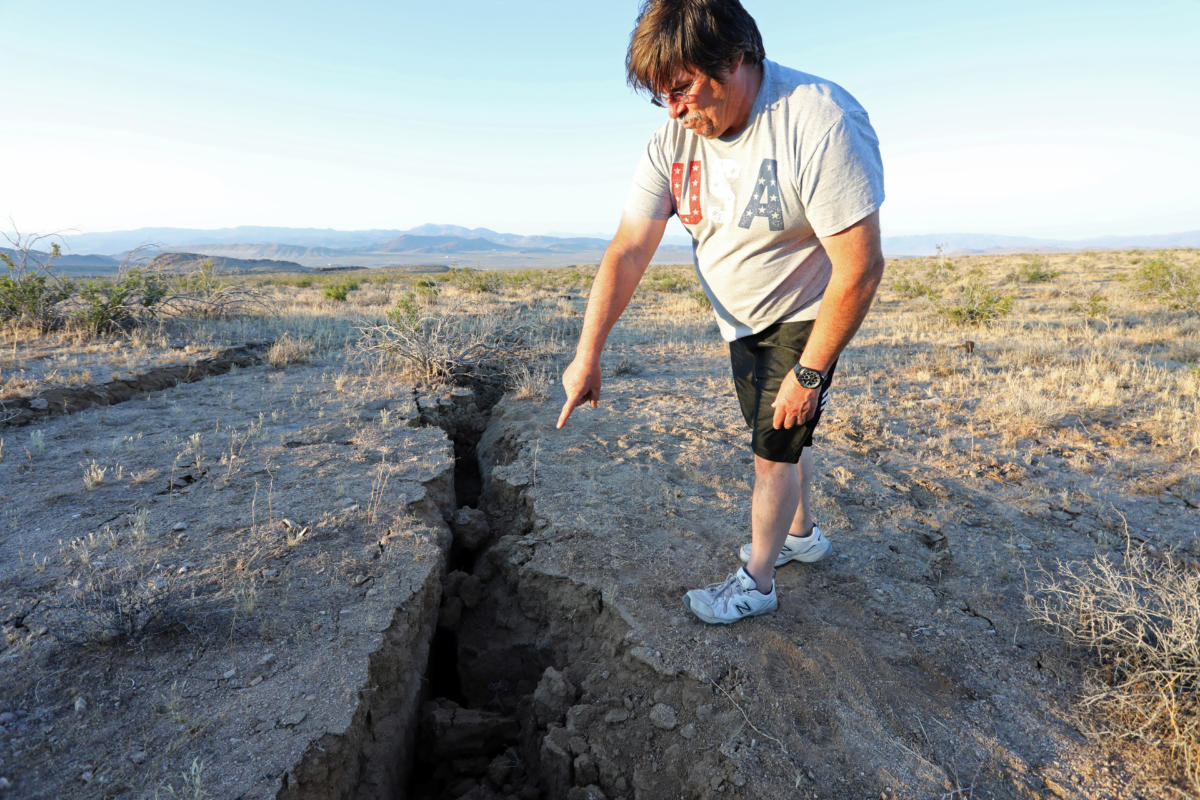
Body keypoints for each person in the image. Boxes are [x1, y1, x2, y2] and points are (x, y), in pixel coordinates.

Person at [555, 0, 885, 624]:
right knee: (785, 435)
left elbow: (861, 267)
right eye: (661, 98)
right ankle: (802, 538)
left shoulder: (818, 120)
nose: (675, 111)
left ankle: (758, 582)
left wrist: (810, 372)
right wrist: (587, 352)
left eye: (681, 90)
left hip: (805, 308)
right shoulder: (671, 141)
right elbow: (628, 250)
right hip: (739, 318)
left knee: (773, 446)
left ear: (734, 60)